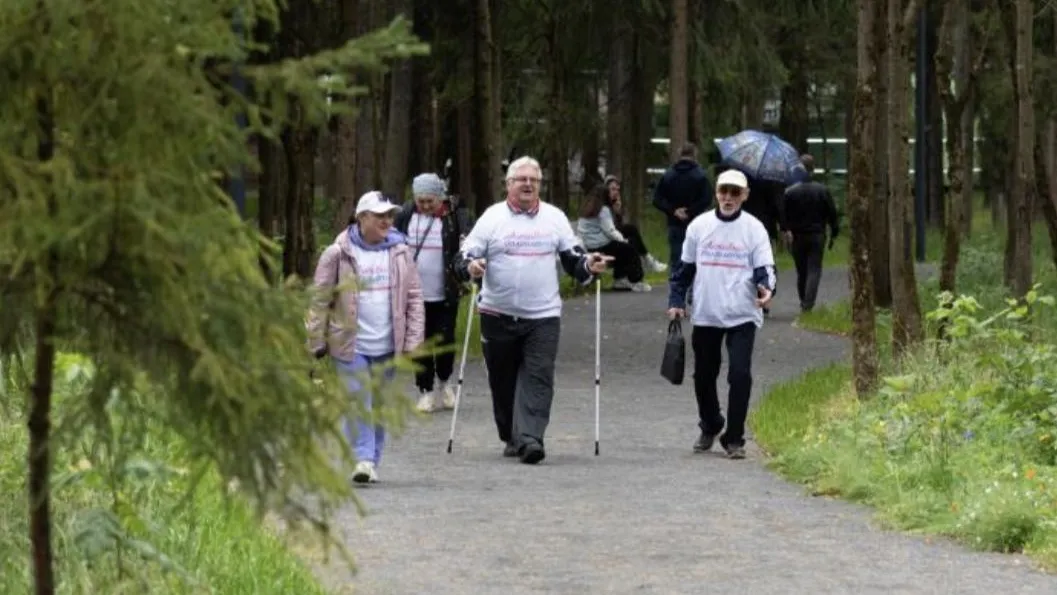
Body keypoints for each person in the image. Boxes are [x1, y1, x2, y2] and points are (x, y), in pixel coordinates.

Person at [456, 156, 612, 465]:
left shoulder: (554, 218)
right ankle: (511, 434)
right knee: (503, 381)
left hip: (542, 315)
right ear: (509, 184)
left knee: (539, 375)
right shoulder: (492, 217)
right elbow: (467, 254)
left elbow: (574, 257)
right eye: (521, 179)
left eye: (534, 180)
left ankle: (531, 438)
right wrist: (471, 266)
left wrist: (589, 266)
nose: (528, 184)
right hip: (496, 313)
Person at [306, 191, 426, 484]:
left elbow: (413, 297)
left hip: (388, 344)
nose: (386, 221)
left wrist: (413, 340)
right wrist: (314, 340)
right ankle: (363, 458)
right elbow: (320, 299)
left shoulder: (400, 251)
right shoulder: (338, 252)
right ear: (362, 218)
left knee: (379, 405)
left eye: (389, 215)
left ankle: (370, 458)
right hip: (349, 344)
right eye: (379, 216)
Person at [666, 169, 777, 460]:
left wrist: (766, 290)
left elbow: (765, 269)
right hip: (706, 311)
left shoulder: (754, 229)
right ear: (716, 192)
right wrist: (677, 300)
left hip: (743, 312)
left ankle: (735, 437)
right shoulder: (699, 227)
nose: (728, 197)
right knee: (703, 374)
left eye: (735, 192)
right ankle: (711, 423)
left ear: (745, 195)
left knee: (740, 374)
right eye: (723, 191)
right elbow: (684, 270)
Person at [394, 173, 476, 413]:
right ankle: (425, 390)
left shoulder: (452, 218)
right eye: (421, 200)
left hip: (445, 291)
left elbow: (465, 248)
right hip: (414, 295)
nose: (426, 205)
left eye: (431, 200)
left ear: (440, 197)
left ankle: (445, 382)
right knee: (419, 342)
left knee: (445, 340)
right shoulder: (405, 216)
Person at [780, 154, 839, 313]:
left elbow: (784, 215)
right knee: (814, 269)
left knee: (801, 270)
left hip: (797, 236)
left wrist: (786, 231)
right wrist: (834, 232)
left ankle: (803, 300)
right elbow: (832, 213)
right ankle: (808, 303)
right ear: (813, 169)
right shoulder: (822, 190)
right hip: (817, 235)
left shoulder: (790, 192)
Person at [651, 142, 714, 271]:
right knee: (695, 257)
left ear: (679, 155)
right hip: (696, 222)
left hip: (674, 222)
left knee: (676, 256)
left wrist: (673, 210)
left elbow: (657, 199)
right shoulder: (700, 176)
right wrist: (690, 211)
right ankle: (692, 287)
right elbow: (707, 199)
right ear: (695, 155)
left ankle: (676, 286)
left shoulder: (668, 175)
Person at [578, 184, 651, 292]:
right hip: (599, 245)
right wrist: (623, 241)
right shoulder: (603, 210)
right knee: (629, 249)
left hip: (589, 246)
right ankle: (635, 280)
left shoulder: (588, 208)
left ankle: (620, 279)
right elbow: (610, 231)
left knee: (621, 246)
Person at [603, 175, 667, 273]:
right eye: (612, 189)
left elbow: (616, 226)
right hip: (603, 240)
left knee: (632, 236)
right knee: (631, 231)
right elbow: (608, 229)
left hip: (611, 236)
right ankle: (647, 261)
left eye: (617, 189)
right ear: (605, 189)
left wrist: (618, 213)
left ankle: (643, 264)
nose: (615, 192)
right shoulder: (602, 205)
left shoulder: (612, 204)